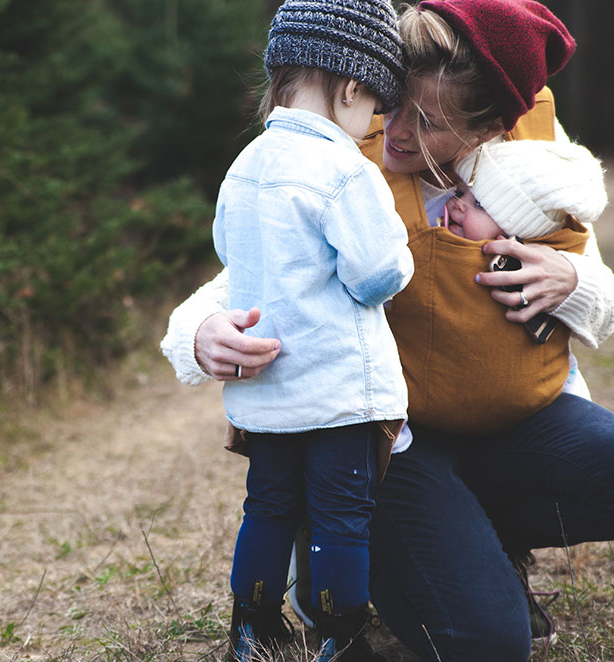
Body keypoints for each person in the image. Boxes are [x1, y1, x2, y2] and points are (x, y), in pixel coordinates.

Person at [161, 1, 614, 660]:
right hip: (390, 442)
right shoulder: (343, 159)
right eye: (394, 106)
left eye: (429, 122)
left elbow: (602, 300)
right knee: (489, 645)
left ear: (490, 127)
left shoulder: (532, 172)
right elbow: (245, 274)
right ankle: (329, 541)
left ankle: (476, 541)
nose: (397, 132)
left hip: (508, 424)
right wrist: (201, 330)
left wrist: (572, 282)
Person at [212, 2, 413, 660]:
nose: (372, 127)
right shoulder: (344, 170)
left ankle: (253, 626)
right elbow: (378, 271)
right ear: (351, 88)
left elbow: (231, 255)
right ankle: (340, 634)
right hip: (336, 391)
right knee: (339, 518)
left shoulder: (244, 165)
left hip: (268, 391)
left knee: (267, 506)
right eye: (374, 108)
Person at [391, 138, 607, 437]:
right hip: (426, 413)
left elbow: (604, 312)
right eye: (460, 192)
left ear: (515, 235)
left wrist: (574, 280)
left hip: (535, 407)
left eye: (478, 204)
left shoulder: (537, 252)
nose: (456, 204)